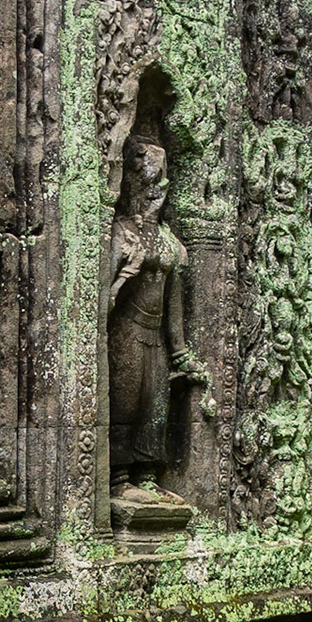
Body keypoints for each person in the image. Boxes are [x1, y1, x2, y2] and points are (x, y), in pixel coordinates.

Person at [107, 142, 203, 503]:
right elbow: (105, 297)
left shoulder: (170, 244)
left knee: (155, 405)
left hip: (156, 337)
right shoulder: (120, 233)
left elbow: (173, 305)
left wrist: (179, 352)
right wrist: (121, 277)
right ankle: (117, 479)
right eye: (147, 189)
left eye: (160, 190)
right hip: (126, 332)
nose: (153, 197)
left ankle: (146, 477)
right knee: (126, 401)